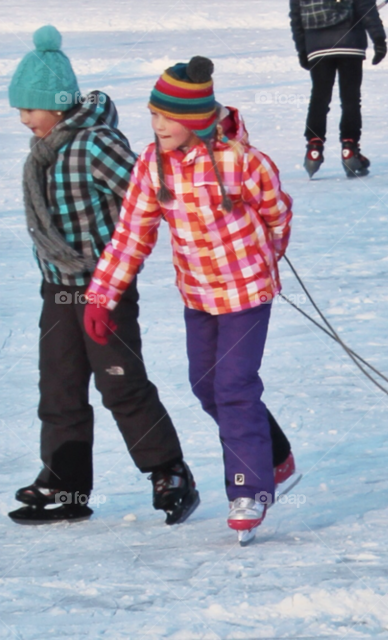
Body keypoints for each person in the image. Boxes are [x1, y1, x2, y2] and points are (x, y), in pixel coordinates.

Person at [82, 56, 298, 541]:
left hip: (246, 293)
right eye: (153, 115)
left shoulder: (244, 162)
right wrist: (101, 297)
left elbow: (278, 214)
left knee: (235, 386)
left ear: (196, 118)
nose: (157, 125)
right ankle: (276, 456)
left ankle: (248, 488)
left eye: (167, 116)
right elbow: (130, 234)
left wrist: (265, 258)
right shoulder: (151, 165)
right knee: (206, 387)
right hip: (197, 295)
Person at [6, 26, 199, 525]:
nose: (25, 119)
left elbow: (146, 195)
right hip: (57, 291)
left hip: (103, 288)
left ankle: (169, 472)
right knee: (60, 388)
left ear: (58, 104)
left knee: (120, 383)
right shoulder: (44, 153)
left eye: (31, 108)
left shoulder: (96, 145)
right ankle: (66, 486)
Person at [289, 0, 387, 178]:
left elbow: (296, 16)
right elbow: (366, 7)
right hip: (350, 42)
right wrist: (379, 40)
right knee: (350, 99)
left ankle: (314, 147)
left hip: (316, 45)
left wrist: (303, 50)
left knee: (319, 97)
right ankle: (349, 148)